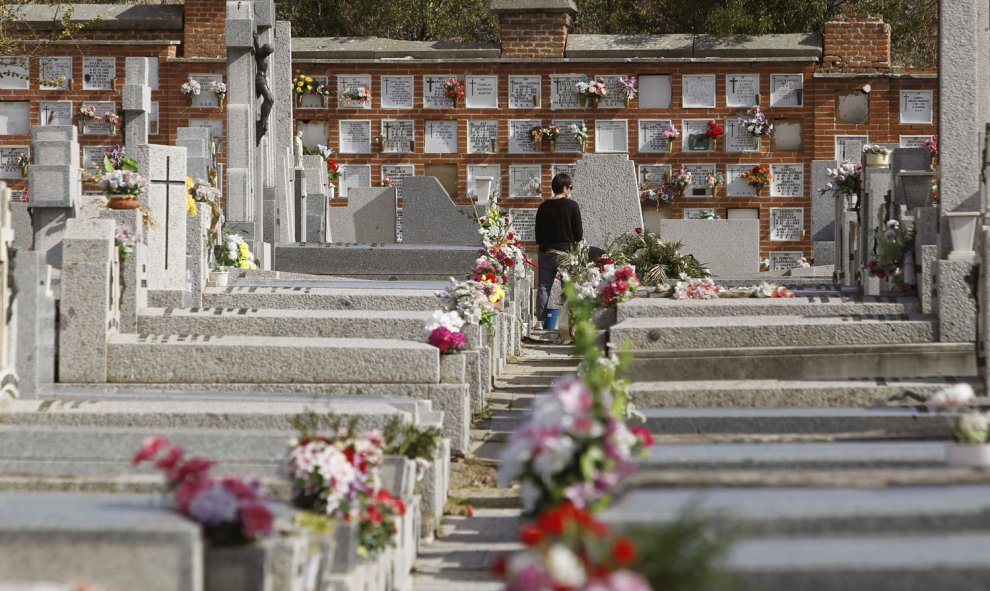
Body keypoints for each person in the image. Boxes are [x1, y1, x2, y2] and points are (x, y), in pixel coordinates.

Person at [534, 173, 583, 327]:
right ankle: (568, 321)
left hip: (546, 251)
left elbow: (538, 232)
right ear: (564, 188)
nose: (570, 190)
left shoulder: (543, 206)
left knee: (543, 287)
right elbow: (578, 233)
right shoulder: (572, 206)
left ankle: (540, 322)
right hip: (566, 252)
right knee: (567, 287)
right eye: (570, 187)